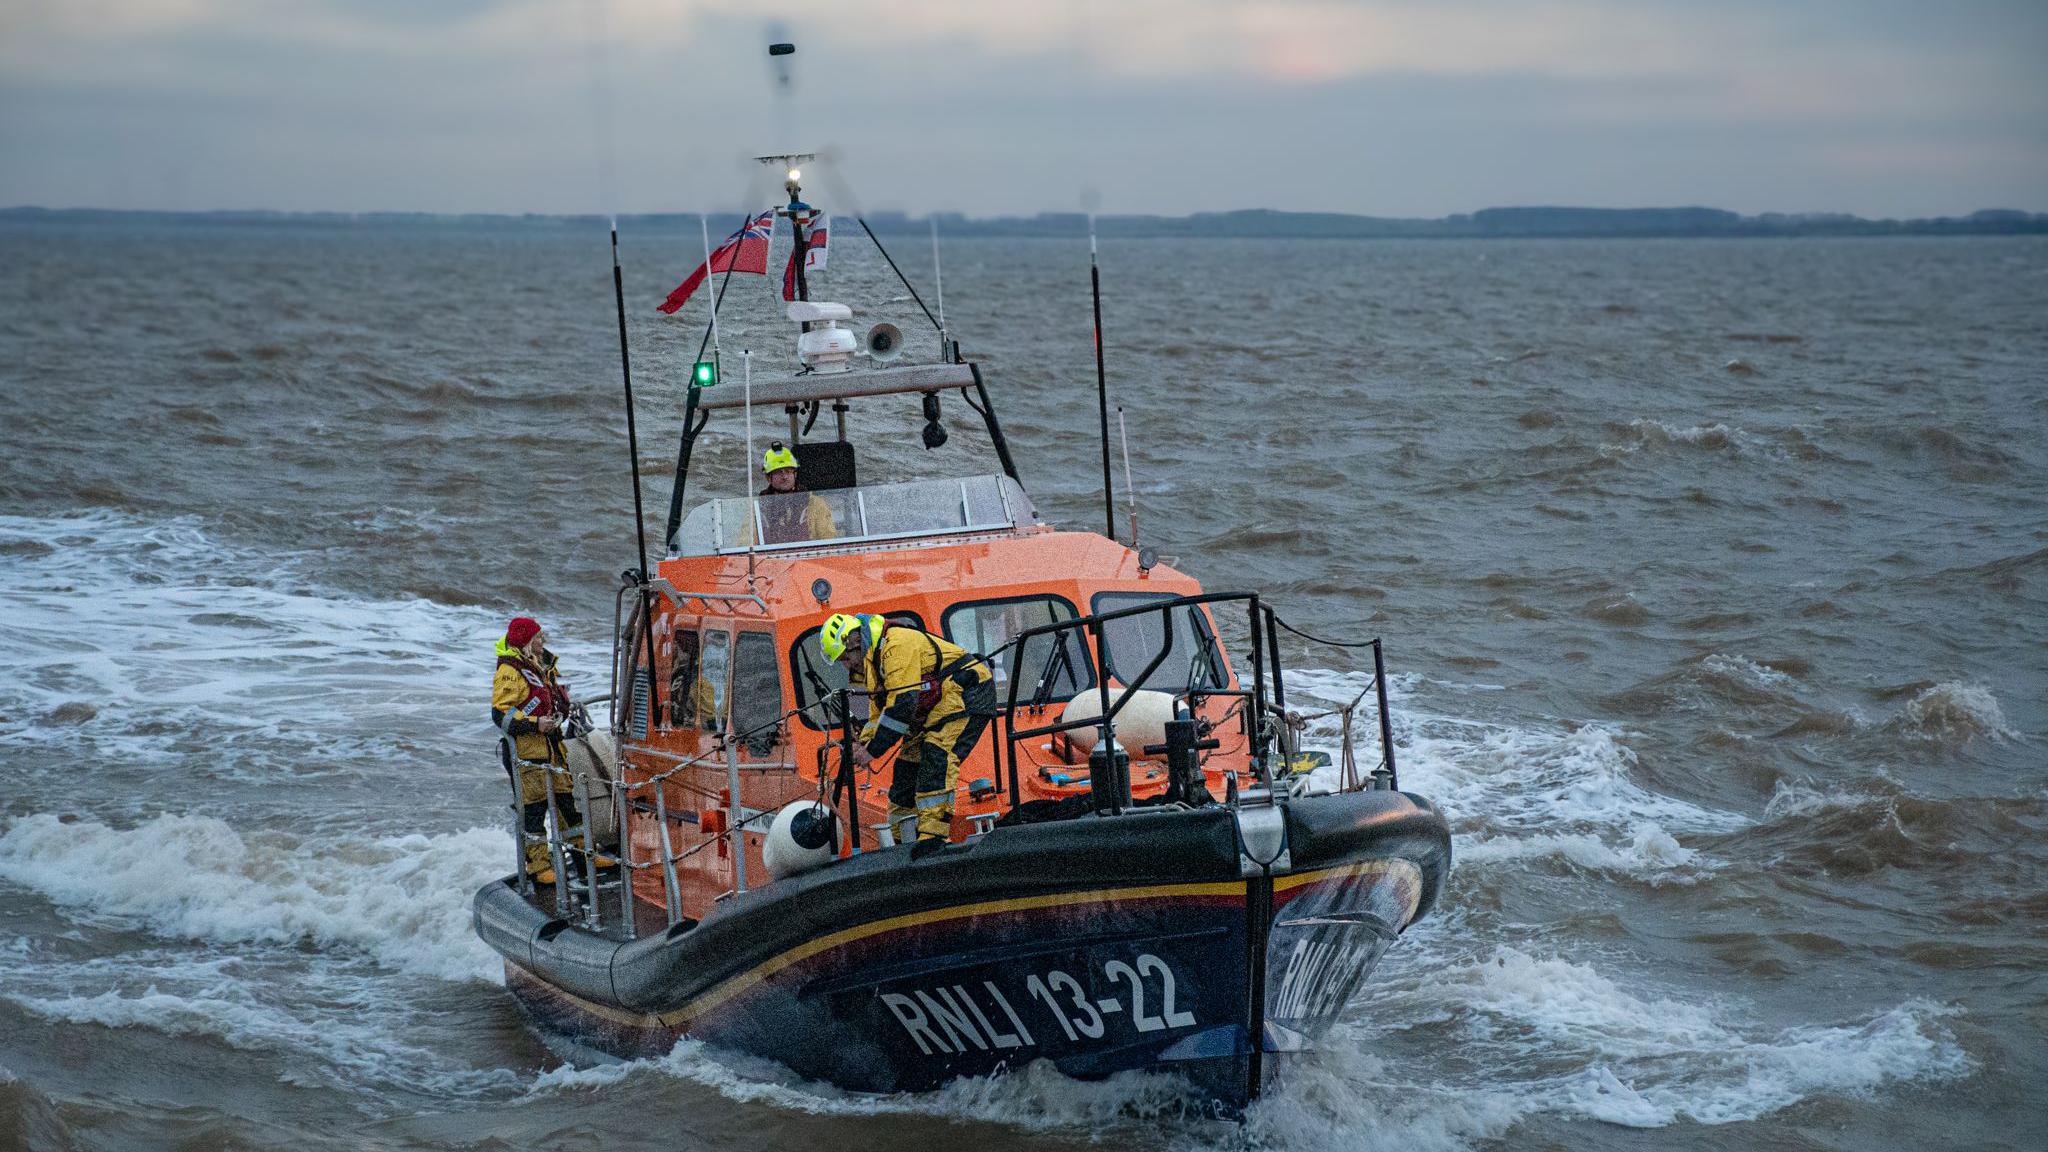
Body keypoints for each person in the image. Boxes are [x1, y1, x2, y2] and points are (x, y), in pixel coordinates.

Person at [819, 612, 997, 848]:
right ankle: (900, 838)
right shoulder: (873, 662)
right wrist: (863, 743)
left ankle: (933, 836)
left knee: (937, 754)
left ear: (852, 642)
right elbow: (878, 711)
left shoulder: (897, 645)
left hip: (965, 693)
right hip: (935, 706)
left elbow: (903, 704)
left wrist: (873, 750)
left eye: (844, 658)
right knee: (905, 767)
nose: (846, 665)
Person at [492, 616, 602, 884]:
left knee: (568, 805)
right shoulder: (510, 671)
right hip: (527, 754)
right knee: (533, 811)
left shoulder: (539, 666)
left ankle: (584, 855)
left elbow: (545, 698)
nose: (543, 641)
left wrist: (560, 710)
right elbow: (500, 714)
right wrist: (534, 723)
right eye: (538, 637)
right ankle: (539, 867)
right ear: (525, 641)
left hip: (552, 748)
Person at [742, 442, 836, 545]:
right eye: (779, 472)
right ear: (769, 478)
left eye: (788, 471)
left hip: (808, 558)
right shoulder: (758, 508)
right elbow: (745, 543)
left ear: (795, 474)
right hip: (772, 560)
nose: (785, 476)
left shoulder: (815, 504)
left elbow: (829, 541)